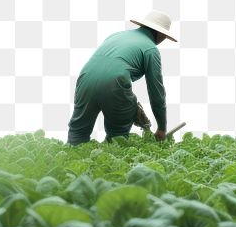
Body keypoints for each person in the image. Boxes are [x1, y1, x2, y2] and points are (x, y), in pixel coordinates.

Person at [67, 10, 177, 145]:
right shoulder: (151, 49)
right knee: (117, 137)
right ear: (160, 33)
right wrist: (161, 128)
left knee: (78, 132)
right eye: (165, 36)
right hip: (115, 82)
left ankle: (68, 161)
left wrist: (131, 104)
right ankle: (110, 161)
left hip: (85, 78)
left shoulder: (116, 36)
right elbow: (156, 92)